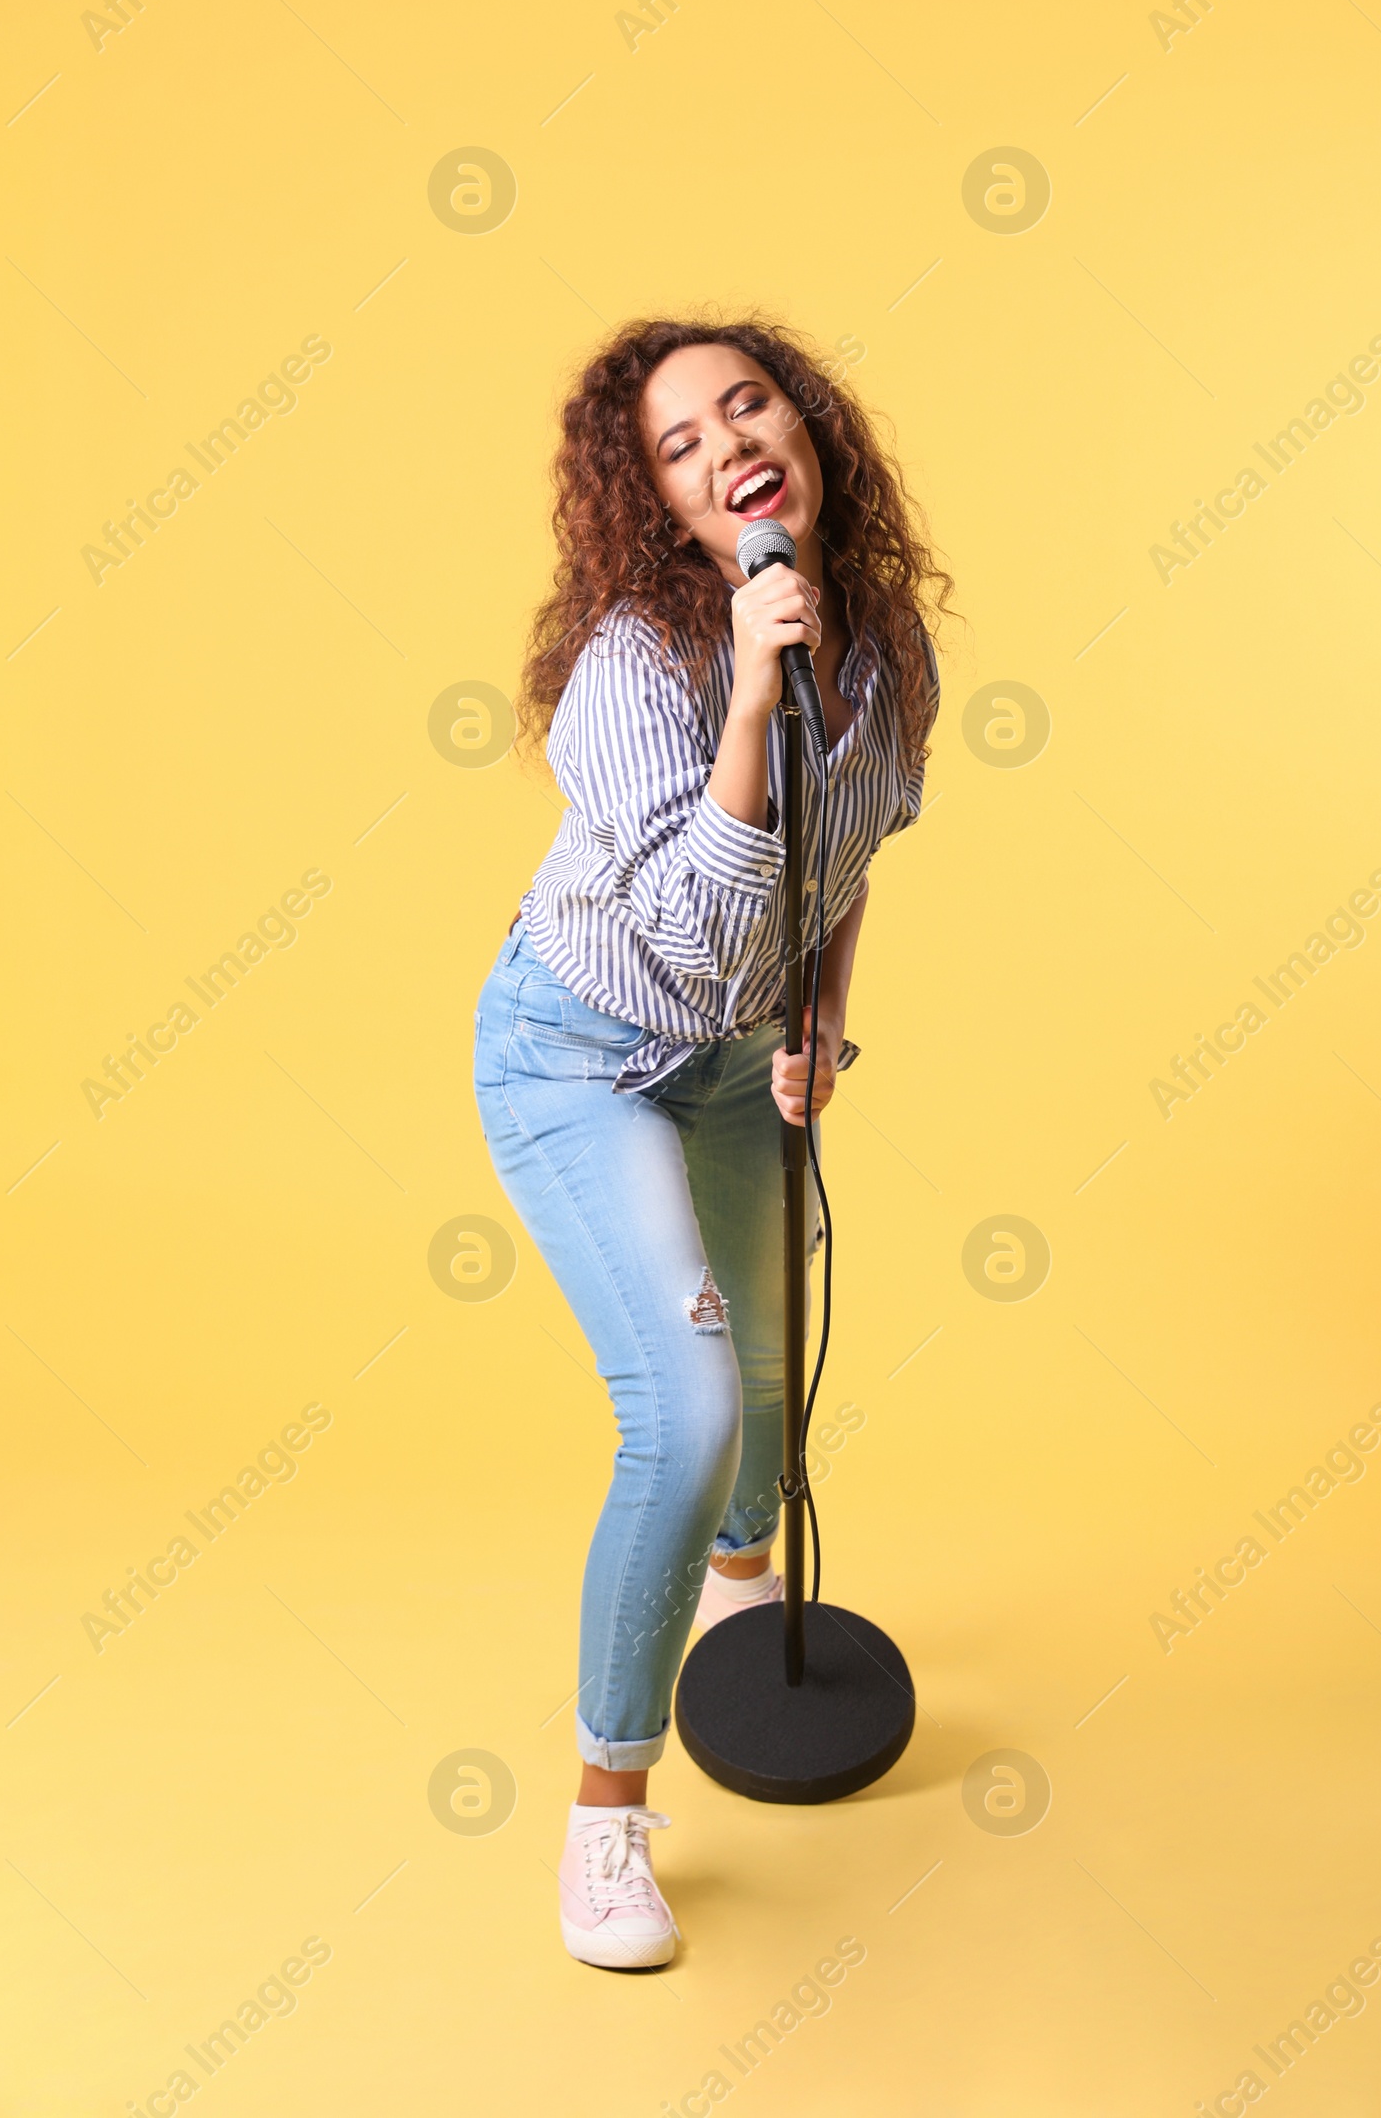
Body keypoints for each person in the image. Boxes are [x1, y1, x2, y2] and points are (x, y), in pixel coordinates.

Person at [473, 316, 948, 1968]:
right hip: (585, 1058)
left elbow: (852, 854)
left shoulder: (883, 643)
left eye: (743, 404)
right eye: (677, 444)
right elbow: (691, 942)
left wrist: (824, 1017)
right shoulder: (631, 673)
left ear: (803, 425)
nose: (723, 442)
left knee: (764, 1382)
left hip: (744, 1060)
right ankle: (606, 1820)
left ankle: (740, 1593)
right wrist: (752, 688)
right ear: (663, 508)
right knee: (679, 1413)